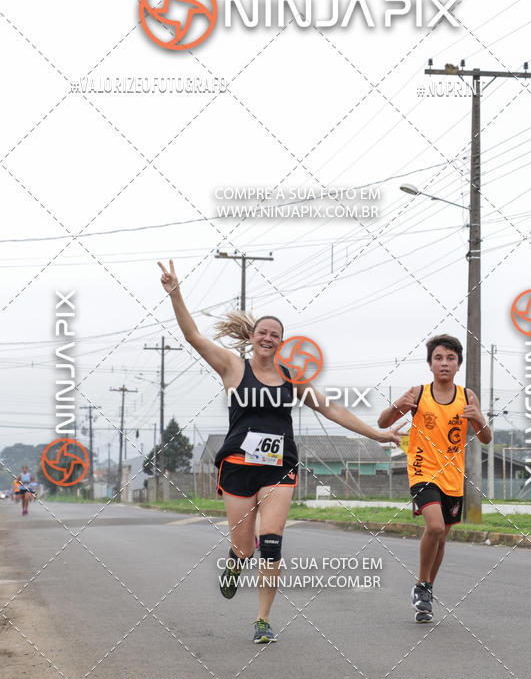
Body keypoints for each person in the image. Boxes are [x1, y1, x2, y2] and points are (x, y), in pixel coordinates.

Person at [159, 259, 403, 644]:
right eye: (263, 332)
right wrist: (175, 293)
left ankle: (263, 619)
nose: (268, 338)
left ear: (281, 343)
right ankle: (235, 562)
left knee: (271, 544)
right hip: (238, 467)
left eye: (275, 335)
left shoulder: (292, 378)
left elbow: (331, 409)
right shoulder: (232, 367)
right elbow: (192, 336)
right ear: (252, 337)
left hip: (279, 468)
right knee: (244, 547)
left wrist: (378, 434)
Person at [378, 334, 491, 623]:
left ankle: (426, 588)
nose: (444, 363)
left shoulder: (468, 397)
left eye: (450, 358)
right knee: (436, 526)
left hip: (453, 476)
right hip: (422, 471)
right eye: (438, 358)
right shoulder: (418, 394)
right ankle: (421, 583)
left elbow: (486, 438)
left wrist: (479, 419)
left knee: (442, 537)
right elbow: (383, 422)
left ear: (458, 365)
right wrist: (397, 405)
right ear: (430, 364)